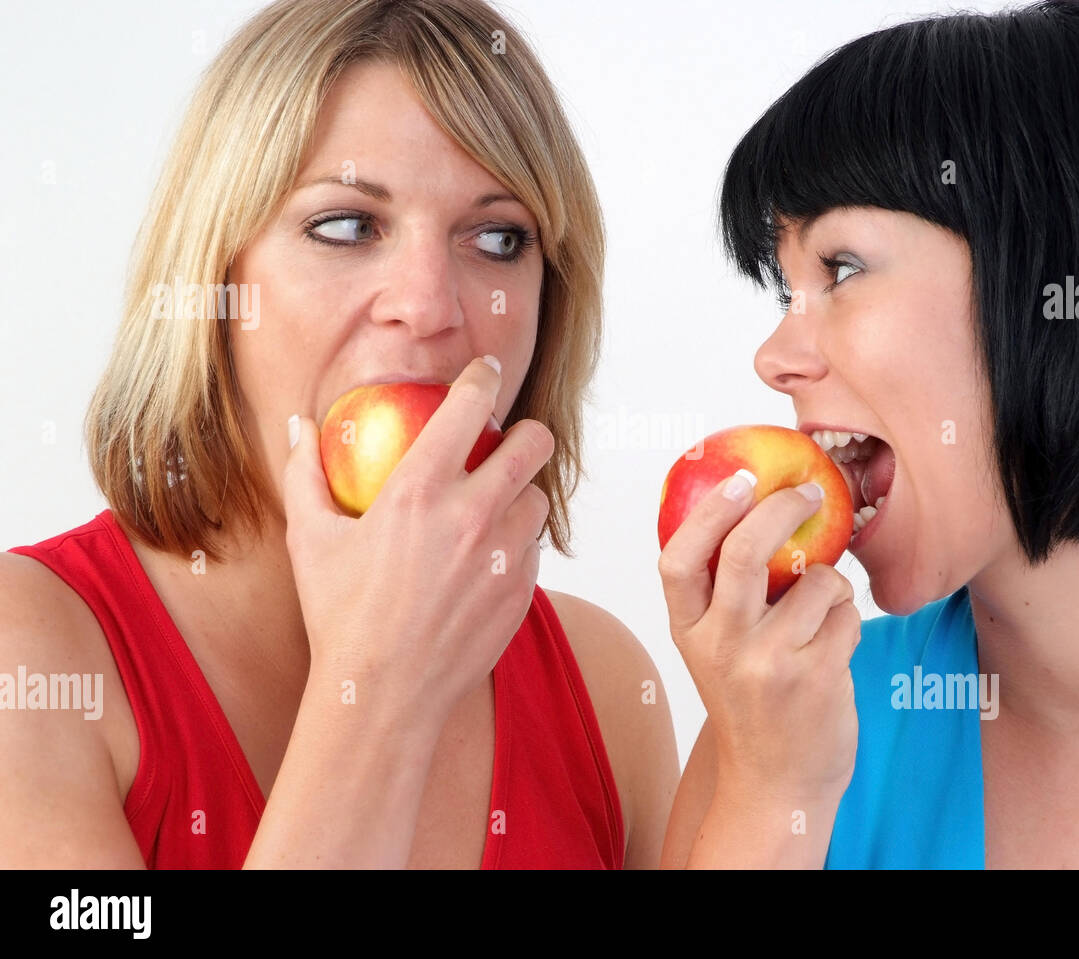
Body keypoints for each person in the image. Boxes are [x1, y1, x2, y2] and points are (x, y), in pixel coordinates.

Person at [1, 0, 678, 869]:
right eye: (348, 226)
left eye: (499, 237)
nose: (430, 308)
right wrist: (380, 692)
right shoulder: (38, 654)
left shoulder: (606, 682)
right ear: (214, 279)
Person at [659, 0, 1079, 868]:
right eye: (785, 291)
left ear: (1072, 283)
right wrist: (775, 800)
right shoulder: (782, 730)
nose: (774, 357)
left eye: (840, 268)